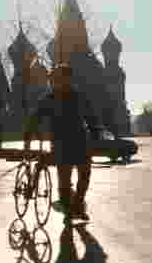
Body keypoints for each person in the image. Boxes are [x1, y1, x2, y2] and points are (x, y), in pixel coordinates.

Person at [24, 63, 103, 220]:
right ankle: (68, 210)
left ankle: (78, 205)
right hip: (61, 144)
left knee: (85, 175)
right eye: (56, 79)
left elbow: (90, 117)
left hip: (80, 141)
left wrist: (96, 133)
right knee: (65, 181)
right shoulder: (49, 99)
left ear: (69, 79)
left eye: (63, 78)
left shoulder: (78, 96)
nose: (59, 82)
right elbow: (35, 117)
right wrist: (28, 135)